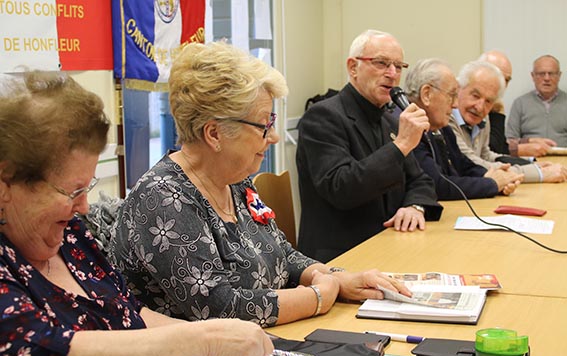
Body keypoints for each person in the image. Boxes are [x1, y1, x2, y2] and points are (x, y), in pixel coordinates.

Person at [109, 41, 412, 329]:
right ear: (214, 134)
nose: (274, 137)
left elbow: (282, 253)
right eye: (264, 125)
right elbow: (220, 307)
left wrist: (339, 278)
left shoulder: (236, 181)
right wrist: (317, 297)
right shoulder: (163, 198)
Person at [0, 71, 276, 356]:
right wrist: (206, 341)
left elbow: (129, 314)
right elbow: (43, 354)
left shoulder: (71, 237)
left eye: (87, 187)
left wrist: (224, 336)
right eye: (72, 191)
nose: (84, 206)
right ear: (5, 183)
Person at [295, 29, 443, 262]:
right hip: (339, 256)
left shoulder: (390, 118)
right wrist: (401, 144)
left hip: (389, 244)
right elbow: (342, 188)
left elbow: (421, 180)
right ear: (353, 67)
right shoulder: (322, 117)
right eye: (382, 63)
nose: (392, 74)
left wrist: (414, 206)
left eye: (398, 66)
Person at [407, 58, 523, 200]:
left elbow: (464, 165)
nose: (455, 104)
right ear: (426, 94)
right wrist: (491, 183)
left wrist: (492, 176)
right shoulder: (408, 125)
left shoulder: (442, 128)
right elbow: (437, 184)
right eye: (451, 95)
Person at [449, 60, 567, 184]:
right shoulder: (447, 118)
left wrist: (531, 166)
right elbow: (472, 164)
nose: (480, 107)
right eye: (475, 96)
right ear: (458, 89)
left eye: (489, 101)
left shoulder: (483, 115)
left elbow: (486, 155)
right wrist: (538, 174)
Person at [479, 50, 556, 157]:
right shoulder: (473, 106)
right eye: (541, 74)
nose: (502, 85)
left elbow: (498, 146)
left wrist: (528, 141)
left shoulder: (494, 106)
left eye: (506, 80)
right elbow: (493, 150)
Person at [507, 54, 567, 147]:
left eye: (551, 73)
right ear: (533, 76)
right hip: (528, 159)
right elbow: (510, 141)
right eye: (541, 74)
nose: (546, 78)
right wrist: (529, 143)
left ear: (559, 76)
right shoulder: (520, 104)